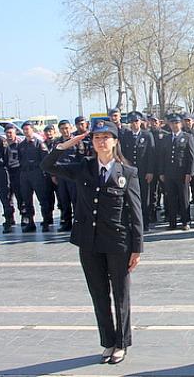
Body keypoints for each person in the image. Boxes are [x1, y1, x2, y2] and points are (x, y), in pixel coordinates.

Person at [41, 121, 143, 365]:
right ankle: (108, 341)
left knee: (120, 295)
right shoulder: (83, 168)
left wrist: (137, 248)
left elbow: (136, 212)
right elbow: (47, 165)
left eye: (106, 137)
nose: (101, 141)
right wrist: (66, 144)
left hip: (118, 243)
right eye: (97, 137)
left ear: (115, 141)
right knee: (99, 294)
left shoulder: (127, 172)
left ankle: (121, 343)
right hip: (88, 242)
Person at [158, 113, 194, 230]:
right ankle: (172, 222)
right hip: (169, 173)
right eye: (172, 123)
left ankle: (186, 221)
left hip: (182, 173)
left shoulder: (187, 137)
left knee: (184, 198)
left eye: (177, 123)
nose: (175, 125)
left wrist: (189, 173)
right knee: (170, 198)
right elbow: (162, 157)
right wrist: (161, 172)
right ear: (169, 125)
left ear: (181, 124)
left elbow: (192, 157)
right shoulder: (166, 138)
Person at [119, 112, 156, 231]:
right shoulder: (126, 136)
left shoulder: (147, 135)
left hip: (143, 172)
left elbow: (151, 155)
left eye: (136, 121)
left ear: (140, 122)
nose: (134, 124)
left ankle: (145, 222)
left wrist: (150, 171)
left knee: (144, 198)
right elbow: (122, 153)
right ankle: (133, 222)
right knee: (130, 199)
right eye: (132, 122)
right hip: (130, 173)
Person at [18, 122, 52, 232]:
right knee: (27, 200)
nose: (26, 132)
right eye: (24, 130)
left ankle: (46, 222)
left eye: (27, 129)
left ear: (32, 130)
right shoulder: (21, 145)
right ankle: (30, 222)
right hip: (25, 174)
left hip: (37, 173)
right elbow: (20, 160)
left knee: (43, 199)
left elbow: (45, 160)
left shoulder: (39, 144)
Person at [4, 124, 24, 223]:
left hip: (18, 171)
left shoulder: (20, 143)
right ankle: (9, 217)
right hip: (6, 172)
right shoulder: (3, 144)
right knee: (7, 196)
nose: (9, 135)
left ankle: (24, 215)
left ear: (15, 133)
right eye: (7, 133)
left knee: (20, 195)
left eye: (11, 133)